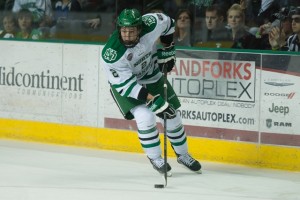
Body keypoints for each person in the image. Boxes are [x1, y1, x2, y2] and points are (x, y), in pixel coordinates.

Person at [101, 8, 202, 175]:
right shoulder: (112, 54)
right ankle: (155, 158)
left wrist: (168, 48)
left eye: (131, 31)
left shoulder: (152, 23)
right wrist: (153, 100)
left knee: (172, 116)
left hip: (150, 73)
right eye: (123, 30)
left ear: (140, 29)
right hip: (127, 85)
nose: (126, 35)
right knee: (146, 117)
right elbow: (127, 86)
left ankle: (183, 155)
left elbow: (169, 23)